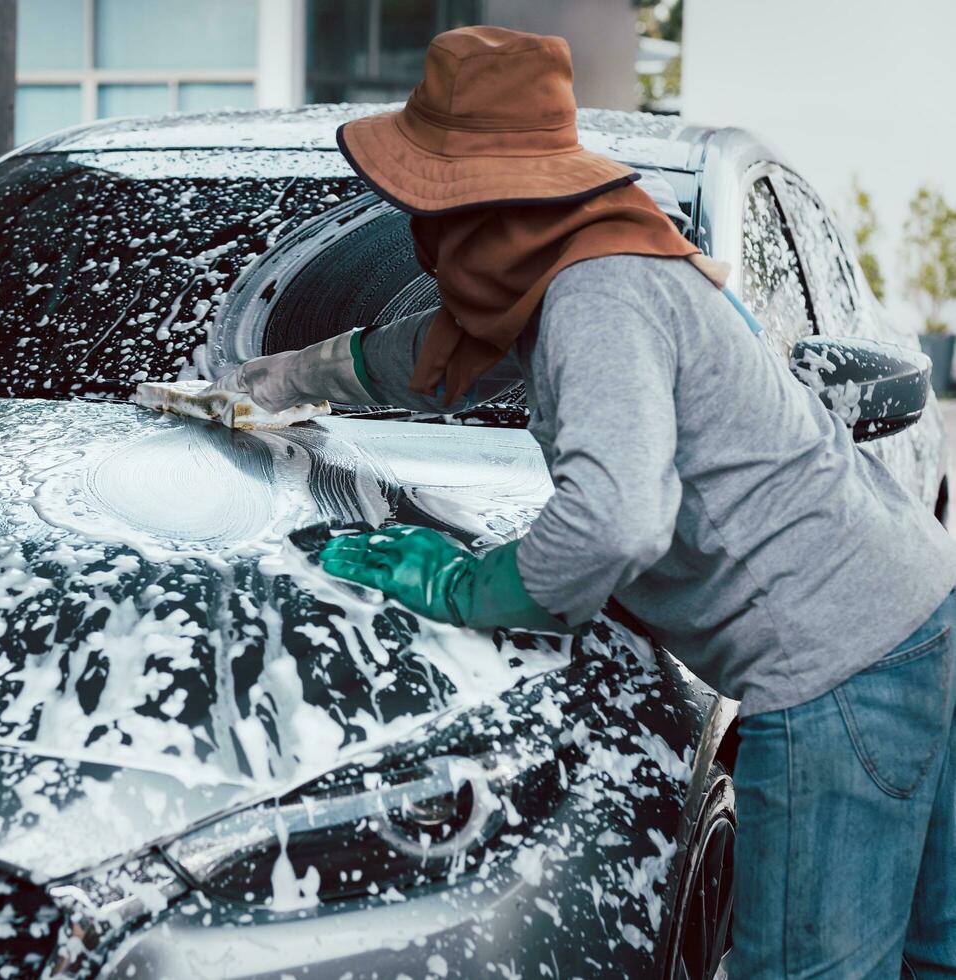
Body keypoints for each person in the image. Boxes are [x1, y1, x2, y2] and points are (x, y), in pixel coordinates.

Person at [204, 25, 956, 978]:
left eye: (429, 207)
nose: (421, 237)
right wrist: (278, 381)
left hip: (836, 666)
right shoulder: (581, 261)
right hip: (911, 615)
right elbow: (429, 356)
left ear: (487, 204)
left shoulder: (596, 295)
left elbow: (616, 519)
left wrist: (471, 584)